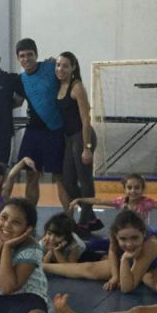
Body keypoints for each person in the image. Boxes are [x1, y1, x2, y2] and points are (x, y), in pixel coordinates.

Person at [43, 210, 157, 296]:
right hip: (135, 260)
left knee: (150, 277)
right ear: (116, 235)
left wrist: (124, 259)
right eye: (123, 239)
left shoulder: (151, 245)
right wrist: (115, 276)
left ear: (144, 234)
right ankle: (43, 266)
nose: (129, 244)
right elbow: (112, 250)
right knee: (90, 268)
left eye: (134, 238)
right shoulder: (114, 234)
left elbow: (126, 288)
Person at [55, 51, 103, 234]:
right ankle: (91, 217)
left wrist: (87, 147)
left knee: (85, 180)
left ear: (73, 68)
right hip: (69, 138)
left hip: (82, 136)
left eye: (65, 66)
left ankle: (84, 222)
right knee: (68, 181)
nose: (60, 69)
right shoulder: (59, 85)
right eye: (58, 65)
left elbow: (85, 119)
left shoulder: (77, 87)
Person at [15, 38, 66, 207]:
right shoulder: (21, 79)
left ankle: (69, 217)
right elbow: (17, 102)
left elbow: (68, 82)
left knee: (60, 177)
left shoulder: (52, 67)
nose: (26, 59)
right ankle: (29, 217)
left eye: (30, 54)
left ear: (36, 55)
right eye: (22, 56)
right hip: (33, 132)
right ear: (18, 58)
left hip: (56, 130)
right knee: (31, 176)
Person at [69, 173, 157, 224]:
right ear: (124, 189)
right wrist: (80, 199)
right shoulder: (121, 202)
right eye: (129, 188)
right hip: (125, 232)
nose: (133, 191)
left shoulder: (146, 203)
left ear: (142, 189)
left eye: (137, 188)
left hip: (140, 233)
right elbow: (99, 201)